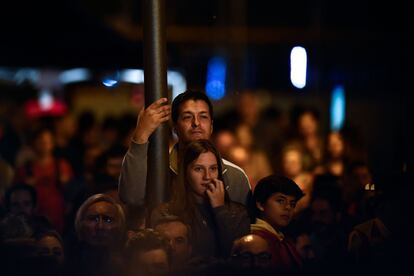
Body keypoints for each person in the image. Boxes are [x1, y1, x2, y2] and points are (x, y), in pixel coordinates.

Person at [119, 90, 251, 208]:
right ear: (175, 127)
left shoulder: (235, 176)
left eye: (203, 116)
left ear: (211, 126)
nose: (196, 123)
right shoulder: (159, 171)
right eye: (187, 117)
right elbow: (131, 197)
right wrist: (140, 135)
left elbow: (247, 227)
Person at [150, 140, 250, 259]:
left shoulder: (237, 213)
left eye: (213, 169)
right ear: (185, 172)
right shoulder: (166, 213)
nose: (207, 177)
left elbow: (235, 256)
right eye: (198, 169)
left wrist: (220, 210)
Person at [251, 174, 304, 272]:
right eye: (280, 201)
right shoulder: (256, 242)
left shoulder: (281, 239)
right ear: (260, 204)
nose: (288, 207)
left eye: (292, 204)